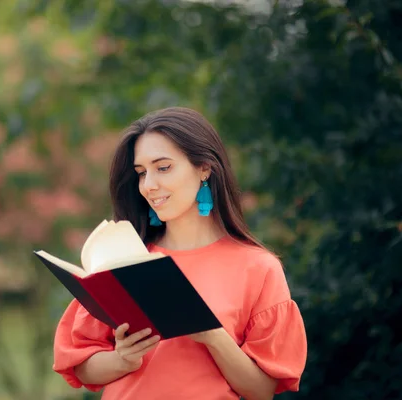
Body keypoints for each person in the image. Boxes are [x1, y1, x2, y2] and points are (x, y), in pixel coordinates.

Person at [53, 107, 307, 399]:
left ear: (204, 168)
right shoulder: (124, 259)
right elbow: (81, 365)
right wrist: (122, 358)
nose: (149, 185)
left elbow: (261, 390)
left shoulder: (258, 268)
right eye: (141, 173)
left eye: (163, 168)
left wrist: (213, 335)